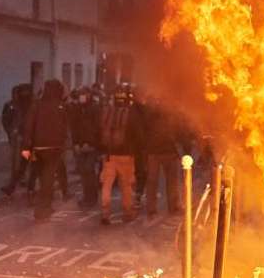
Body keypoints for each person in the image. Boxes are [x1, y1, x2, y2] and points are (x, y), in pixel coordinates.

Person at [20, 79, 69, 220]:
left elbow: (28, 126)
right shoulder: (60, 106)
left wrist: (26, 146)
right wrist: (63, 144)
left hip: (37, 148)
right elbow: (64, 128)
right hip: (53, 148)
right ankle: (43, 209)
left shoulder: (37, 105)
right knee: (48, 180)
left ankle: (43, 207)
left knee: (41, 177)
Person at [97, 83, 144, 225]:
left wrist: (102, 150)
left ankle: (105, 213)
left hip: (109, 156)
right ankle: (127, 213)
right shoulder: (131, 114)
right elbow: (139, 135)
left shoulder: (107, 112)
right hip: (126, 156)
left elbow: (99, 132)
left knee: (107, 185)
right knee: (126, 186)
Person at [143, 98, 184, 216]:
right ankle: (174, 207)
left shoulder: (149, 112)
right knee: (172, 181)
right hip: (168, 151)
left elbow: (144, 130)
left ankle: (151, 209)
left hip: (154, 151)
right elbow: (180, 131)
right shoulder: (172, 114)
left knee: (152, 181)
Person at [1, 83, 37, 199]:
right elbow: (6, 119)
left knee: (27, 164)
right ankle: (21, 186)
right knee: (22, 164)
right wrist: (11, 132)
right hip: (24, 140)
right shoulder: (16, 105)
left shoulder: (32, 106)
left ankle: (21, 186)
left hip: (29, 141)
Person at [69, 86, 101, 208]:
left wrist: (92, 143)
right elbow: (74, 127)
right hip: (80, 145)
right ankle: (87, 197)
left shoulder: (95, 108)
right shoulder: (77, 108)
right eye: (80, 94)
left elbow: (97, 128)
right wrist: (75, 143)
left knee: (89, 170)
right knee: (83, 172)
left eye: (84, 94)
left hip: (91, 146)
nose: (82, 96)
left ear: (89, 94)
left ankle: (91, 198)